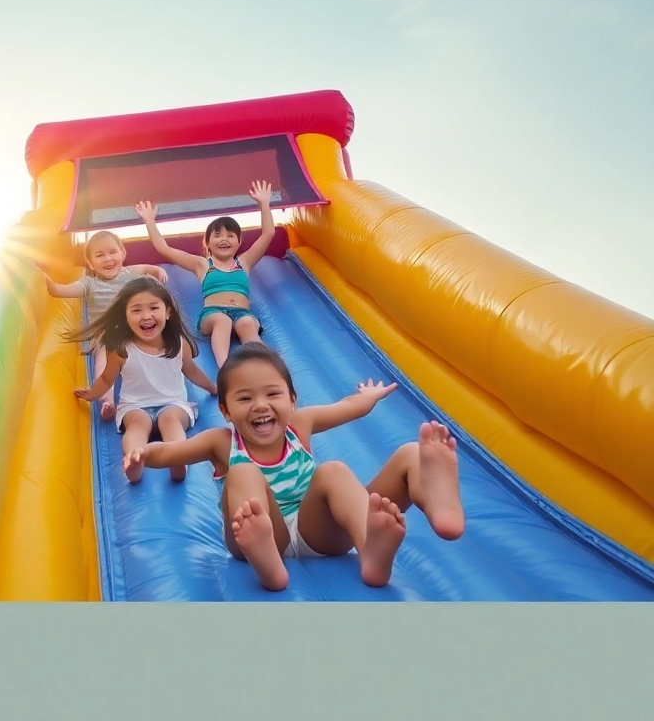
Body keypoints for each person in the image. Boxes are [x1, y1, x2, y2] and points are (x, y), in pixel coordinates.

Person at [123, 342, 465, 591]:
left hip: (318, 531)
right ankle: (269, 566)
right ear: (226, 410)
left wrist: (368, 397)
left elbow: (348, 407)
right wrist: (143, 453)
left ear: (292, 399)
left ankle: (409, 525)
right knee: (242, 473)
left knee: (366, 464)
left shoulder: (300, 425)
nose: (260, 406)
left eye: (272, 394)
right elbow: (171, 452)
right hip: (256, 534)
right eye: (244, 398)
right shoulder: (221, 442)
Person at [66, 276, 217, 484]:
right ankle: (134, 458)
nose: (146, 316)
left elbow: (192, 371)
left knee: (170, 420)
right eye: (136, 310)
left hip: (173, 403)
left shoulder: (178, 344)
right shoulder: (121, 349)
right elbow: (107, 378)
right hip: (135, 405)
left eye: (154, 308)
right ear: (125, 316)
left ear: (168, 312)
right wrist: (92, 393)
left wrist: (211, 386)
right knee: (137, 425)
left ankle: (177, 458)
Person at [134, 180, 279, 368]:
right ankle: (225, 366)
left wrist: (264, 205)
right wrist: (149, 221)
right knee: (223, 320)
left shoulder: (244, 262)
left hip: (242, 312)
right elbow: (164, 248)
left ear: (239, 241)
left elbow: (267, 234)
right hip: (213, 314)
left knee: (248, 324)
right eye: (217, 235)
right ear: (207, 243)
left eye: (230, 235)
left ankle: (265, 366)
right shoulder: (202, 264)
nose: (224, 239)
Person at [43, 230, 168, 420]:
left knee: (149, 346)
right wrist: (49, 284)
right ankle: (107, 399)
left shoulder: (130, 273)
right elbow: (63, 290)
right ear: (91, 263)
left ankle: (160, 390)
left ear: (122, 253)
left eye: (112, 252)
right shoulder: (89, 284)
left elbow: (148, 268)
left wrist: (158, 271)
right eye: (100, 255)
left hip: (131, 329)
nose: (108, 259)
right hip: (105, 334)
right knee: (103, 355)